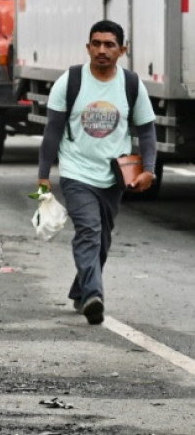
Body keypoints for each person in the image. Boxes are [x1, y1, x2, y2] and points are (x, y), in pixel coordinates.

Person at [37, 20, 157, 325]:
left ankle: (80, 291)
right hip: (76, 173)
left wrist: (150, 170)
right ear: (88, 47)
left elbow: (146, 131)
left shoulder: (131, 84)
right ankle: (93, 295)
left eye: (109, 45)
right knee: (88, 232)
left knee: (102, 239)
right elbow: (52, 131)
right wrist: (43, 176)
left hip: (113, 177)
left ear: (122, 50)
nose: (102, 50)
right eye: (96, 44)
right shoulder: (71, 80)